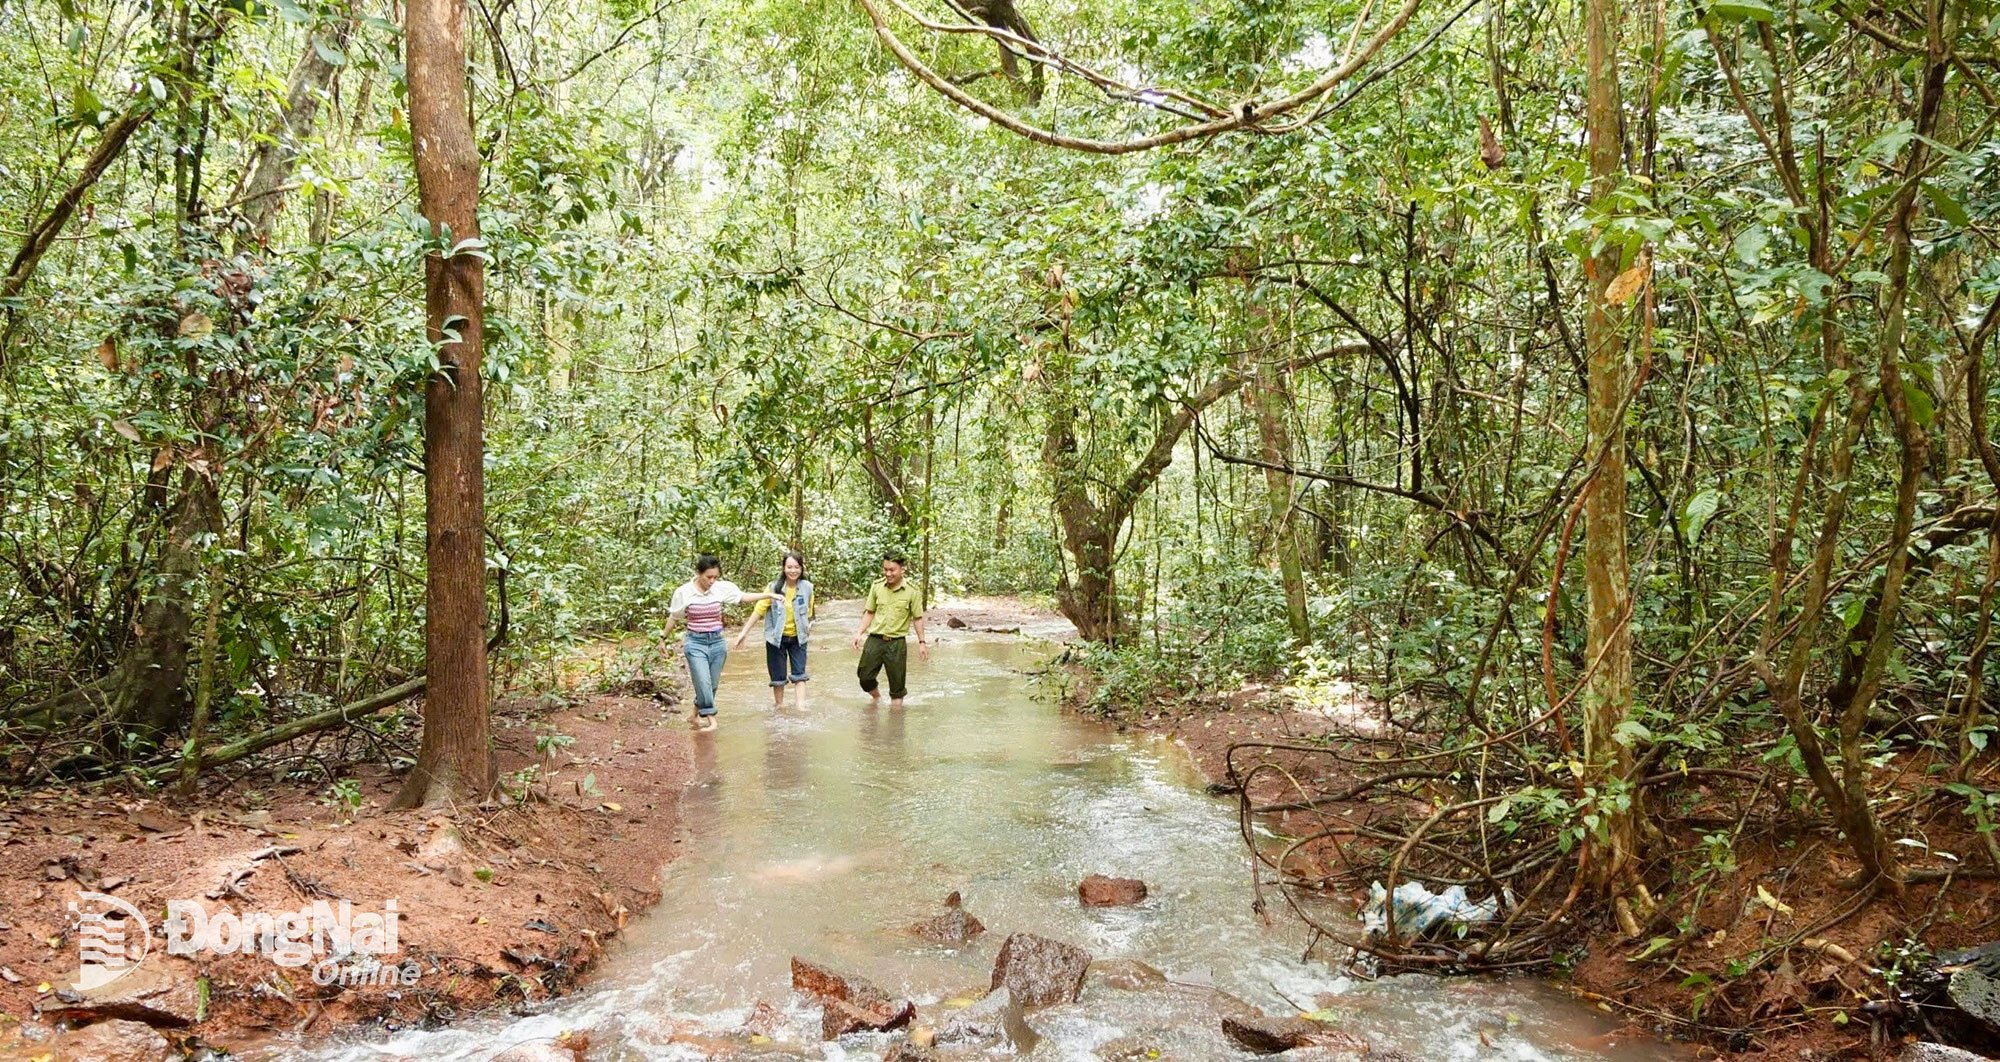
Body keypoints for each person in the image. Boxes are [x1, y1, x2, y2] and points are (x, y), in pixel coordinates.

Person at [666, 554, 776, 730]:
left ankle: (693, 715)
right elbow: (674, 617)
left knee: (713, 684)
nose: (712, 581)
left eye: (715, 577)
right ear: (698, 573)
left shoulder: (720, 588)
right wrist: (662, 638)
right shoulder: (684, 592)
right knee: (703, 682)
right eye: (708, 577)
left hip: (717, 642)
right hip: (695, 643)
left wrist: (769, 595)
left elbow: (743, 597)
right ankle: (711, 720)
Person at [733, 551, 815, 710]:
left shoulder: (808, 588)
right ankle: (780, 707)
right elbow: (759, 610)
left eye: (797, 567)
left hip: (799, 638)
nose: (793, 571)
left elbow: (809, 612)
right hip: (776, 639)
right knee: (778, 677)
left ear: (801, 568)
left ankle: (801, 709)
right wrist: (744, 632)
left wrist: (807, 628)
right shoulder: (773, 588)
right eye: (789, 567)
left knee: (800, 676)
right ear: (784, 568)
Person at [852, 551, 930, 708]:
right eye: (885, 569)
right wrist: (859, 632)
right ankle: (877, 698)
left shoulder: (912, 591)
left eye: (892, 570)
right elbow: (870, 612)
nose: (888, 573)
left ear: (902, 569)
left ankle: (895, 724)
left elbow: (917, 618)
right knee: (864, 677)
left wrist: (922, 642)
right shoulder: (876, 587)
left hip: (896, 643)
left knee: (897, 687)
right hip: (875, 639)